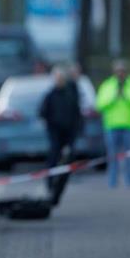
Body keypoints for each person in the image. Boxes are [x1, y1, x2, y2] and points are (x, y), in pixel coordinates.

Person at [96, 60, 130, 188]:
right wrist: (114, 97)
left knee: (129, 156)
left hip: (129, 125)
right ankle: (112, 182)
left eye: (122, 71)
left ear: (126, 72)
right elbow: (99, 105)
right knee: (112, 156)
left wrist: (127, 96)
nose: (120, 74)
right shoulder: (107, 85)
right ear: (114, 72)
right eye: (117, 71)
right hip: (111, 126)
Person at [39, 66, 83, 204]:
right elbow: (42, 113)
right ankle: (50, 185)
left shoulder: (70, 94)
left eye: (61, 79)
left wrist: (77, 130)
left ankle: (58, 191)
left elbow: (77, 114)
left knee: (68, 162)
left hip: (69, 134)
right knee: (53, 158)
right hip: (55, 133)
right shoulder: (50, 95)